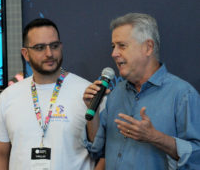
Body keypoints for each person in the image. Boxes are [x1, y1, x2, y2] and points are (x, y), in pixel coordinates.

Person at [83, 13, 200, 169]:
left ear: (148, 47)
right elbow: (98, 150)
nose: (114, 53)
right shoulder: (116, 93)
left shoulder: (183, 94)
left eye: (122, 46)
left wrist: (155, 137)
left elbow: (197, 156)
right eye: (113, 46)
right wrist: (93, 112)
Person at [0, 18, 95, 170]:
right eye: (39, 47)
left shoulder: (87, 92)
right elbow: (0, 154)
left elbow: (103, 155)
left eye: (54, 46)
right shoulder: (9, 95)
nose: (49, 53)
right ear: (25, 54)